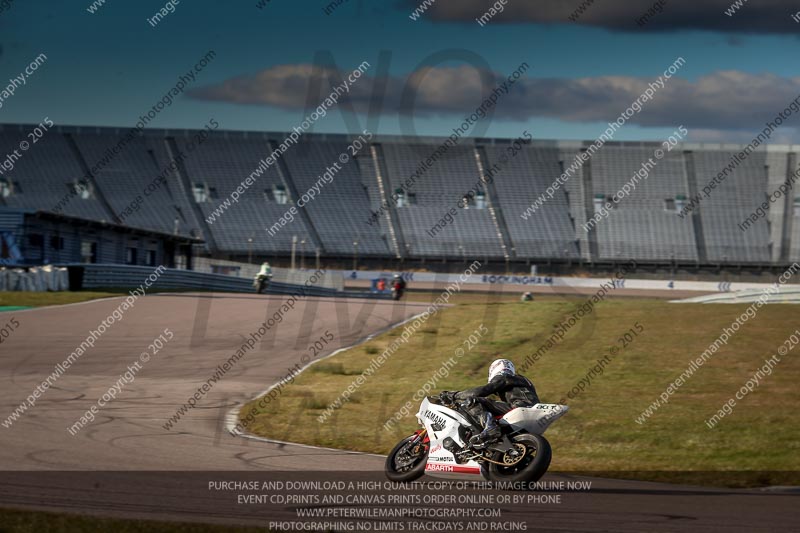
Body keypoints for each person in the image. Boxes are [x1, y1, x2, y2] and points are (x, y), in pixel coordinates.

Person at [441, 359, 539, 447]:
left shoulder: (504, 376)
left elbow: (481, 392)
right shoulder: (521, 380)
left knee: (474, 400)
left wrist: (454, 395)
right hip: (530, 412)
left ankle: (490, 427)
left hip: (520, 407)